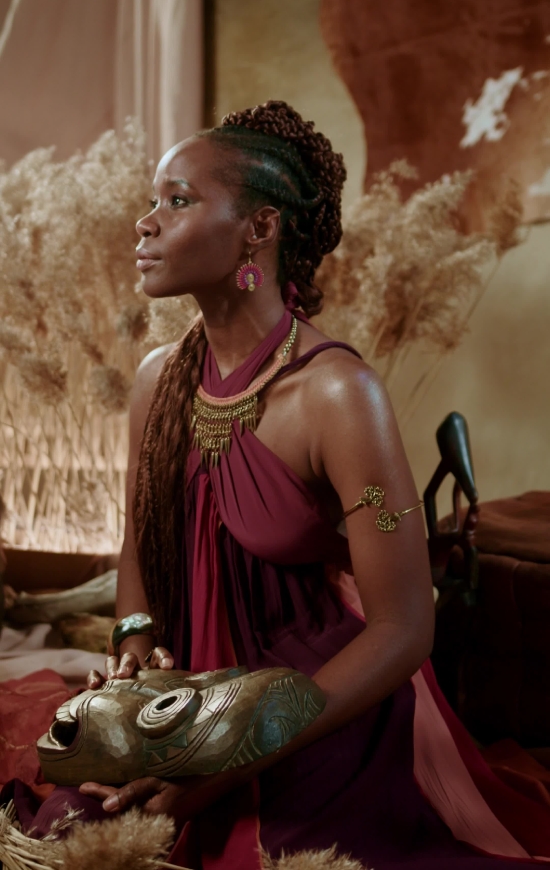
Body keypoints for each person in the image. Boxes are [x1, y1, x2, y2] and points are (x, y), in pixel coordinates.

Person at [13, 102, 550, 867]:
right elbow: (140, 540)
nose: (145, 222)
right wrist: (134, 654)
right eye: (153, 199)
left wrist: (233, 758)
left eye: (178, 200)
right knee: (73, 818)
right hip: (188, 695)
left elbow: (403, 628)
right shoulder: (158, 382)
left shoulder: (338, 395)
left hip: (319, 703)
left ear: (259, 228)